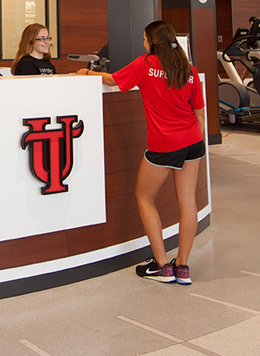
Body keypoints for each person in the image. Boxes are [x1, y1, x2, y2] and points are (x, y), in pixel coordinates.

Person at [77, 20, 206, 285]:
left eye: (145, 39)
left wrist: (85, 74)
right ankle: (182, 267)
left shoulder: (147, 64)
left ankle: (162, 265)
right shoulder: (189, 70)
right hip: (193, 142)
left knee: (144, 197)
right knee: (188, 202)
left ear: (152, 42)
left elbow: (113, 80)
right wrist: (196, 144)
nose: (143, 43)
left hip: (164, 144)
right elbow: (200, 114)